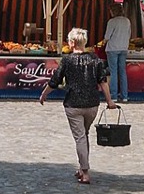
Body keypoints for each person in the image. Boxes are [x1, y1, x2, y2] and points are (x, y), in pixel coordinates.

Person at [40, 27, 114, 183]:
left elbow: (55, 81)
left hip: (73, 103)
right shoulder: (95, 59)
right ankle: (82, 167)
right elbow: (103, 82)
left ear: (72, 43)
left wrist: (44, 94)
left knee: (80, 137)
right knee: (84, 135)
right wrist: (109, 101)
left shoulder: (67, 60)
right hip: (92, 104)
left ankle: (85, 172)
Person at [102, 2, 133, 103]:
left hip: (112, 49)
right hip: (123, 48)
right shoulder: (127, 21)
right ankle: (124, 96)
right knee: (122, 72)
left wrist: (103, 43)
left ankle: (114, 95)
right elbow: (129, 34)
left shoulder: (112, 22)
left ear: (113, 11)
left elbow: (107, 37)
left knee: (113, 72)